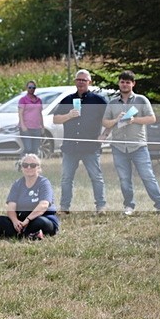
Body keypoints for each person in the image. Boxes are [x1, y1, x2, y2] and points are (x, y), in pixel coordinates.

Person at [101, 70, 160, 216]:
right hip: (119, 147)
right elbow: (105, 122)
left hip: (138, 146)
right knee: (124, 178)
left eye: (128, 82)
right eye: (122, 82)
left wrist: (134, 120)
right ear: (119, 83)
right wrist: (115, 121)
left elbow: (151, 118)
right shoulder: (113, 103)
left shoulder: (141, 100)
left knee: (147, 176)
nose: (124, 84)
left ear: (133, 84)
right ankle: (129, 206)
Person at [52, 69, 108, 213]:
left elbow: (109, 120)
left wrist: (104, 135)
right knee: (66, 179)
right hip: (70, 148)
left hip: (90, 148)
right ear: (75, 82)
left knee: (96, 178)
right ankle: (64, 207)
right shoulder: (67, 100)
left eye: (84, 80)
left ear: (89, 82)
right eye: (78, 80)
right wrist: (68, 116)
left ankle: (101, 206)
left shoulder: (99, 101)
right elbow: (55, 119)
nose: (81, 82)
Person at [0, 154, 60, 239]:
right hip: (21, 219)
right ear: (21, 168)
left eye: (32, 165)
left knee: (40, 222)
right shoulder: (17, 184)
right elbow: (11, 207)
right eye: (25, 165)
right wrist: (15, 221)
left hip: (41, 217)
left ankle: (14, 233)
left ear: (38, 168)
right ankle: (29, 234)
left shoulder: (44, 183)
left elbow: (43, 205)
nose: (29, 168)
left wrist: (27, 220)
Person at [18, 80, 44, 156]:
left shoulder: (39, 100)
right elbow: (20, 113)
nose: (31, 89)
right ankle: (22, 163)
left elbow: (40, 113)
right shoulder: (23, 100)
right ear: (27, 88)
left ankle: (33, 166)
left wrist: (42, 126)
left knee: (35, 149)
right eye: (30, 87)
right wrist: (22, 125)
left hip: (36, 128)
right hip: (26, 128)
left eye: (33, 87)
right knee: (28, 148)